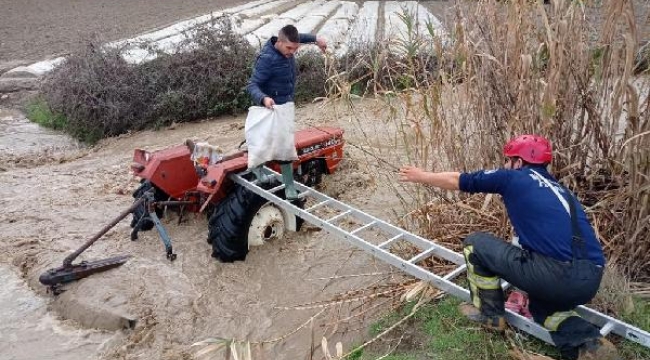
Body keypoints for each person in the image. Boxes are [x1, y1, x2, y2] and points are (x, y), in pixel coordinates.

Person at [398, 135, 620, 360]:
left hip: (555, 275)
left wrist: (422, 176)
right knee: (543, 310)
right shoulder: (562, 191)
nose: (505, 165)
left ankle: (490, 316)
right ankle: (589, 342)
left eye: (508, 160)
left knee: (475, 244)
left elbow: (458, 180)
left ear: (519, 162)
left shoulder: (513, 178)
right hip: (590, 279)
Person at [246, 24, 327, 200]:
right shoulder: (267, 59)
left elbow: (299, 37)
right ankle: (273, 179)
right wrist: (263, 98)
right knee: (269, 142)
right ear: (280, 42)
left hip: (285, 106)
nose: (292, 52)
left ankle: (282, 182)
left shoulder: (289, 45)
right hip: (269, 106)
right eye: (289, 48)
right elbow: (252, 85)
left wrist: (316, 40)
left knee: (283, 144)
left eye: (295, 48)